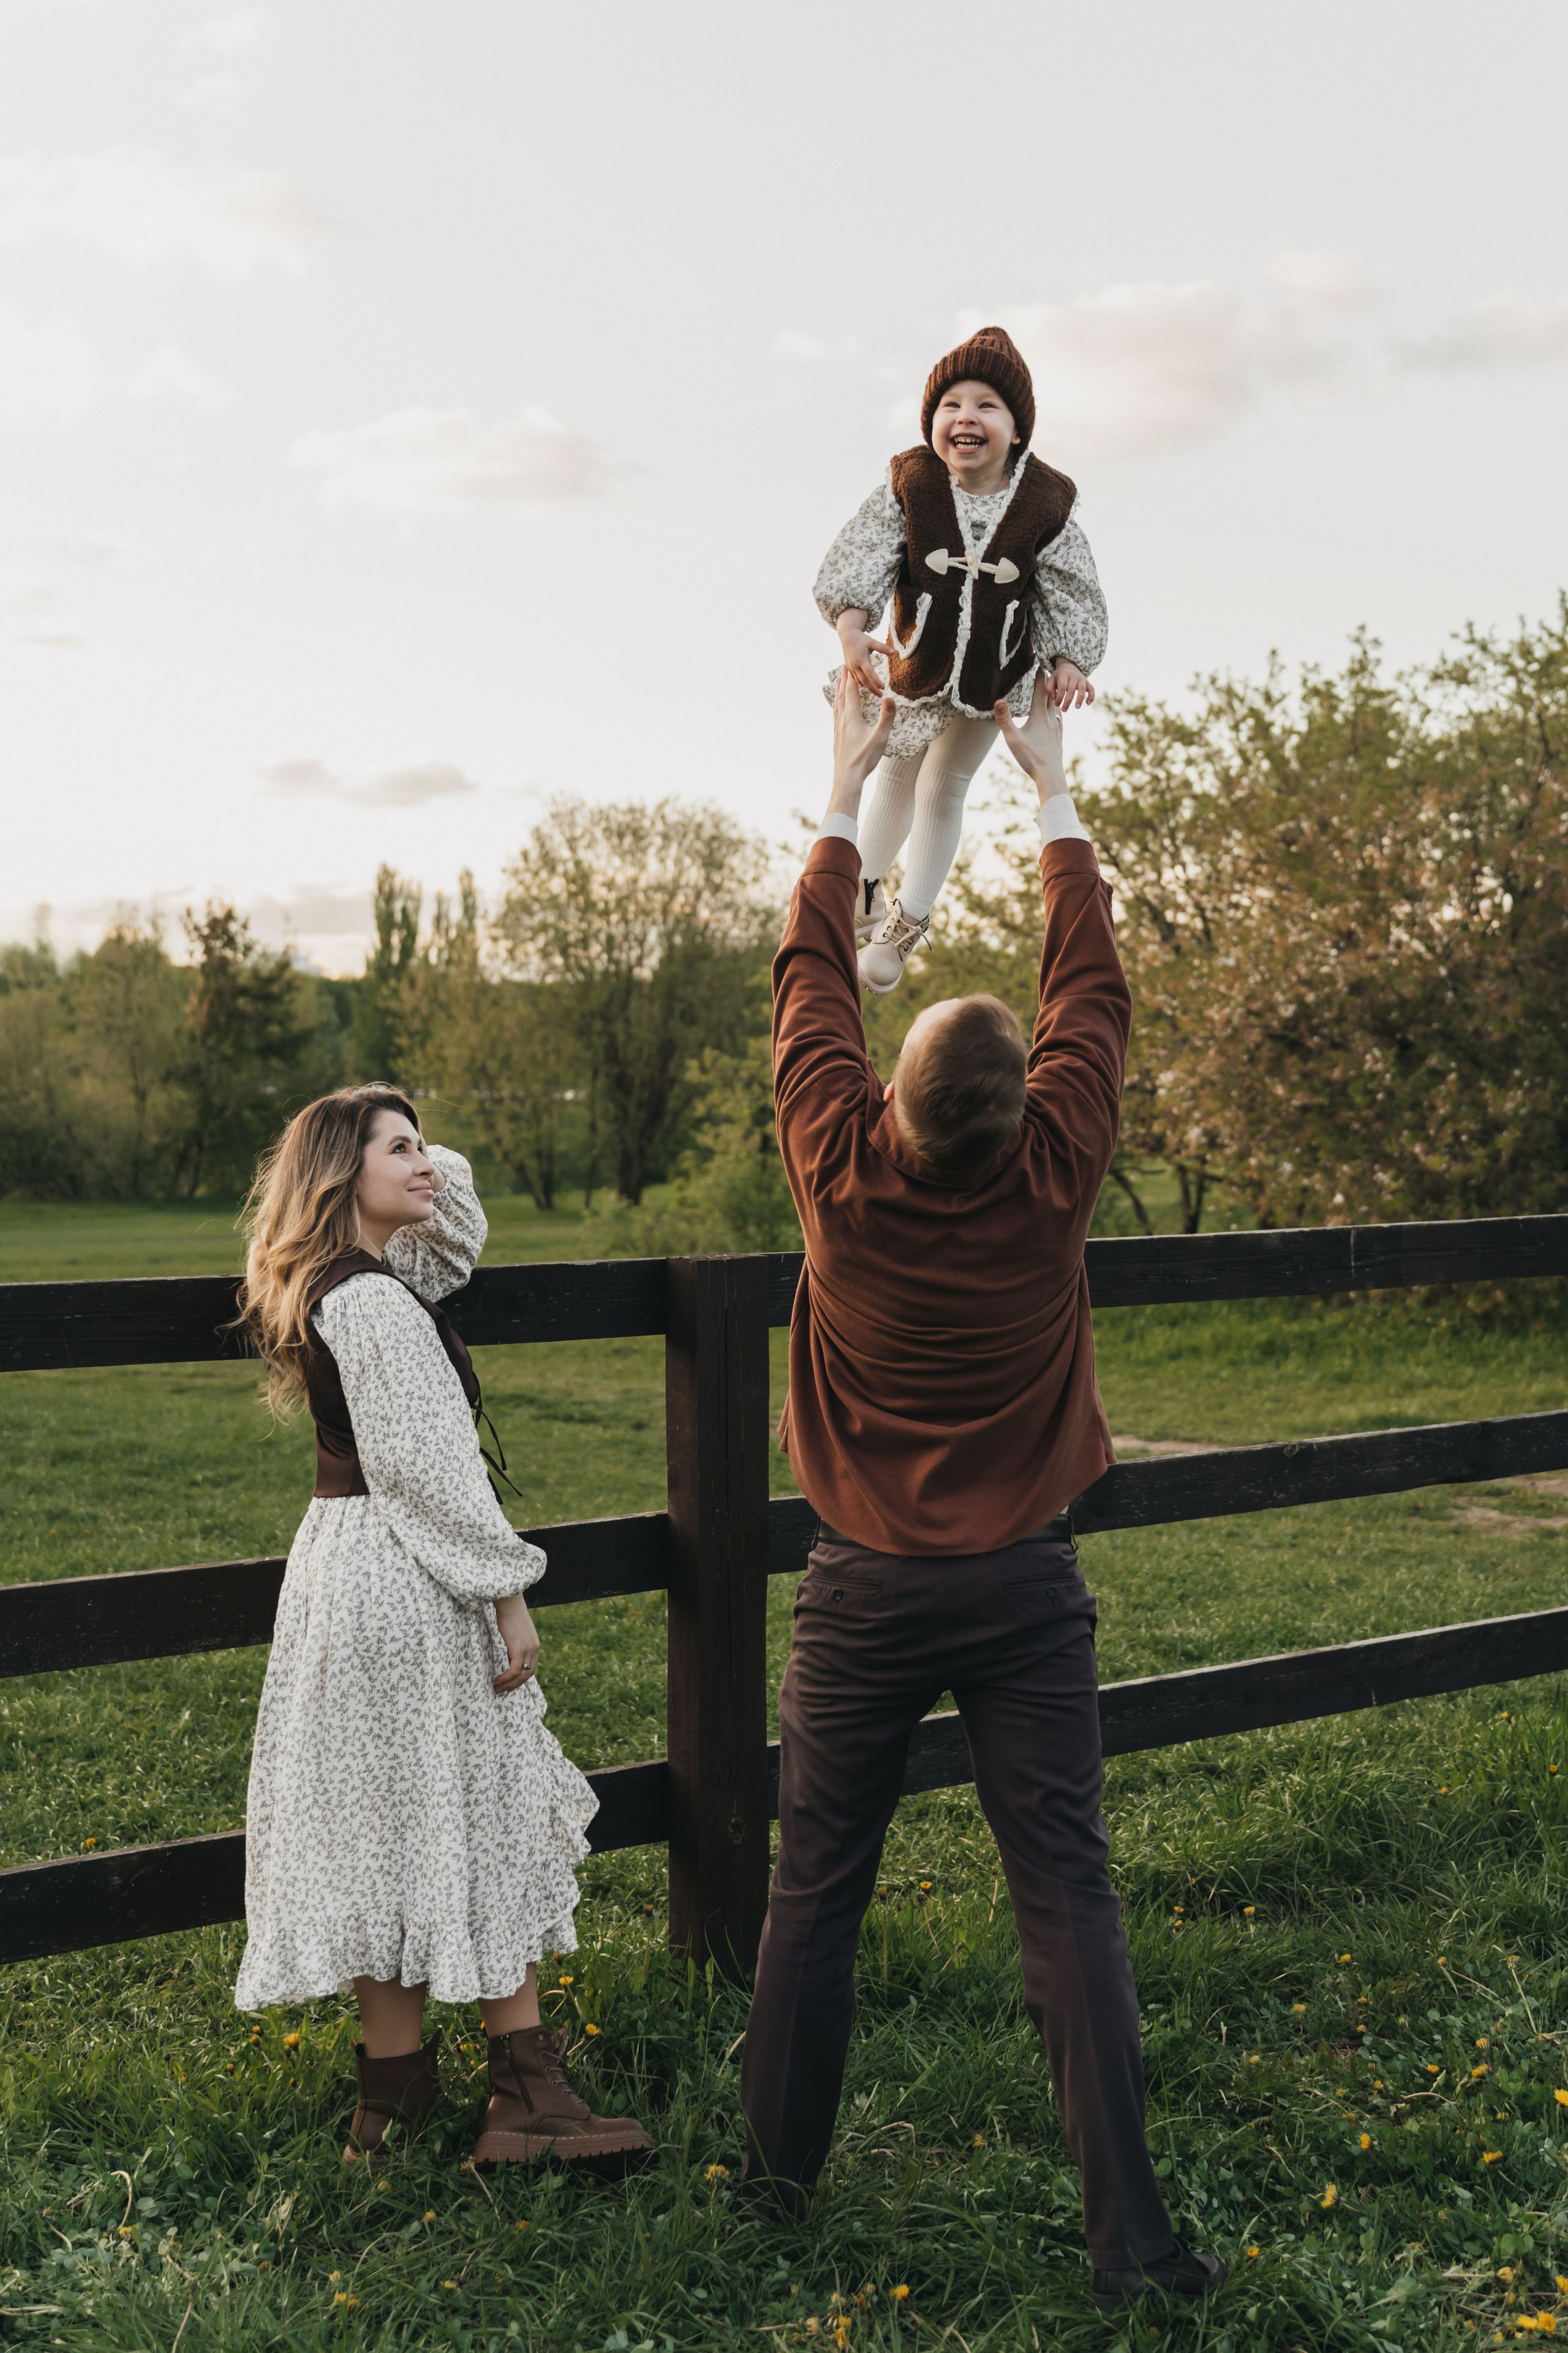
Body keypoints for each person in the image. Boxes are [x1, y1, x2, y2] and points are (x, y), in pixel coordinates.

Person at [739, 678, 1226, 2315]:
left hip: (861, 1592)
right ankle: (1133, 2245)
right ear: (1032, 1113)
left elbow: (811, 974)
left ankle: (775, 2186)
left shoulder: (834, 1158)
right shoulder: (1061, 1168)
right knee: (1068, 1896)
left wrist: (846, 775)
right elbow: (1090, 983)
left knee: (816, 1890)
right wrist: (1051, 780)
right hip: (1026, 1589)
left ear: (890, 1103)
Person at [233, 1084, 650, 2173]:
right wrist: (504, 1589)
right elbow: (428, 1466)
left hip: (350, 1567)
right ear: (341, 1173)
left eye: (425, 1145)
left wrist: (394, 1140)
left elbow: (452, 1228)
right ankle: (527, 2097)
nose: (429, 1164)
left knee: (391, 1824)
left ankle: (394, 2106)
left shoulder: (350, 1278)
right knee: (471, 1805)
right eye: (401, 1149)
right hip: (407, 1573)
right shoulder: (370, 1303)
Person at [814, 323, 1107, 994]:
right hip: (917, 658)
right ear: (931, 422)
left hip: (995, 676)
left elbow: (1071, 585)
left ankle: (906, 921)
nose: (965, 417)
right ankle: (859, 889)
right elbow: (865, 553)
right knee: (895, 769)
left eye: (986, 406)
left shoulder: (1046, 501)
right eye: (951, 405)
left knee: (945, 784)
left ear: (1016, 430)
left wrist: (1068, 659)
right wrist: (852, 628)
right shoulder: (910, 481)